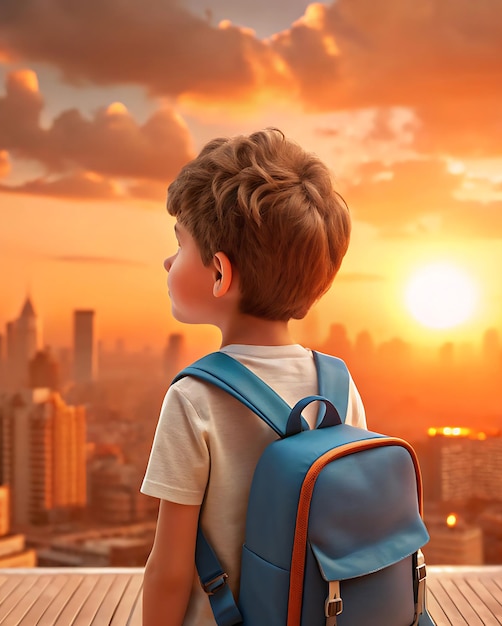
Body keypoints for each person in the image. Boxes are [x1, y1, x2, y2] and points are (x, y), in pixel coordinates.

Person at [140, 128, 367, 626]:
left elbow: (170, 570)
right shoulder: (338, 382)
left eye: (179, 246)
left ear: (219, 274)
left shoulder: (194, 397)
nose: (167, 261)